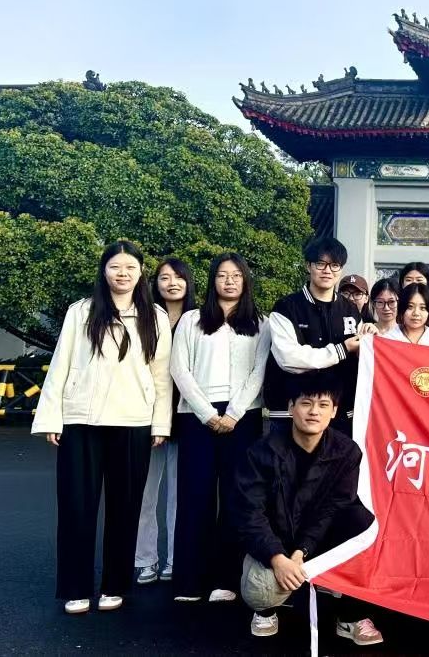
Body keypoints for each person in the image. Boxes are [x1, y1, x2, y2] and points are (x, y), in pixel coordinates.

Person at [32, 241, 173, 615]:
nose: (122, 273)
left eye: (130, 267)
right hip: (82, 420)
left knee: (125, 508)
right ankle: (76, 588)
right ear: (104, 271)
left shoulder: (155, 317)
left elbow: (161, 376)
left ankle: (115, 584)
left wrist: (160, 424)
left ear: (140, 272)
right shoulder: (81, 311)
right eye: (115, 267)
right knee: (76, 507)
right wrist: (52, 418)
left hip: (134, 421)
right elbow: (61, 365)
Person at [229, 374, 381, 646]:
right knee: (261, 592)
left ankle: (349, 616)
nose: (314, 412)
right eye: (306, 403)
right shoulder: (261, 452)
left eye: (323, 405)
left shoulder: (347, 452)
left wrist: (302, 551)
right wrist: (278, 558)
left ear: (334, 411)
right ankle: (266, 611)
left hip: (315, 541)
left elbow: (335, 508)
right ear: (290, 407)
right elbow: (249, 513)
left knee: (362, 521)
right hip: (275, 543)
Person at [169, 253, 269, 604]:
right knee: (194, 496)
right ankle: (189, 581)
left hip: (243, 418)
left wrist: (234, 413)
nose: (229, 281)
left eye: (236, 275)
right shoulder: (192, 320)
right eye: (223, 275)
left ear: (245, 281)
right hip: (197, 417)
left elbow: (259, 371)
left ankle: (226, 579)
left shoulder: (260, 323)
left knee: (234, 498)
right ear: (212, 280)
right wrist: (207, 413)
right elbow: (179, 369)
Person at [264, 237, 367, 438]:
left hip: (339, 415)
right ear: (308, 266)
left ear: (341, 269)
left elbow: (362, 358)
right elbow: (289, 358)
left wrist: (369, 340)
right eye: (321, 263)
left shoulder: (350, 310)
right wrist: (342, 349)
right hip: (290, 414)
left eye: (334, 265)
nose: (327, 270)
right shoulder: (286, 307)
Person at [135, 257, 194, 586]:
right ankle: (145, 559)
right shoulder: (144, 318)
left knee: (180, 495)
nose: (172, 283)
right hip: (147, 417)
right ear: (154, 284)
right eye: (164, 277)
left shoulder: (200, 319)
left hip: (186, 416)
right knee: (144, 493)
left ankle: (175, 558)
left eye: (178, 277)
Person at [382, 283, 429, 347]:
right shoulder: (388, 339)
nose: (416, 313)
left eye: (422, 308)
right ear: (402, 308)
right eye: (410, 307)